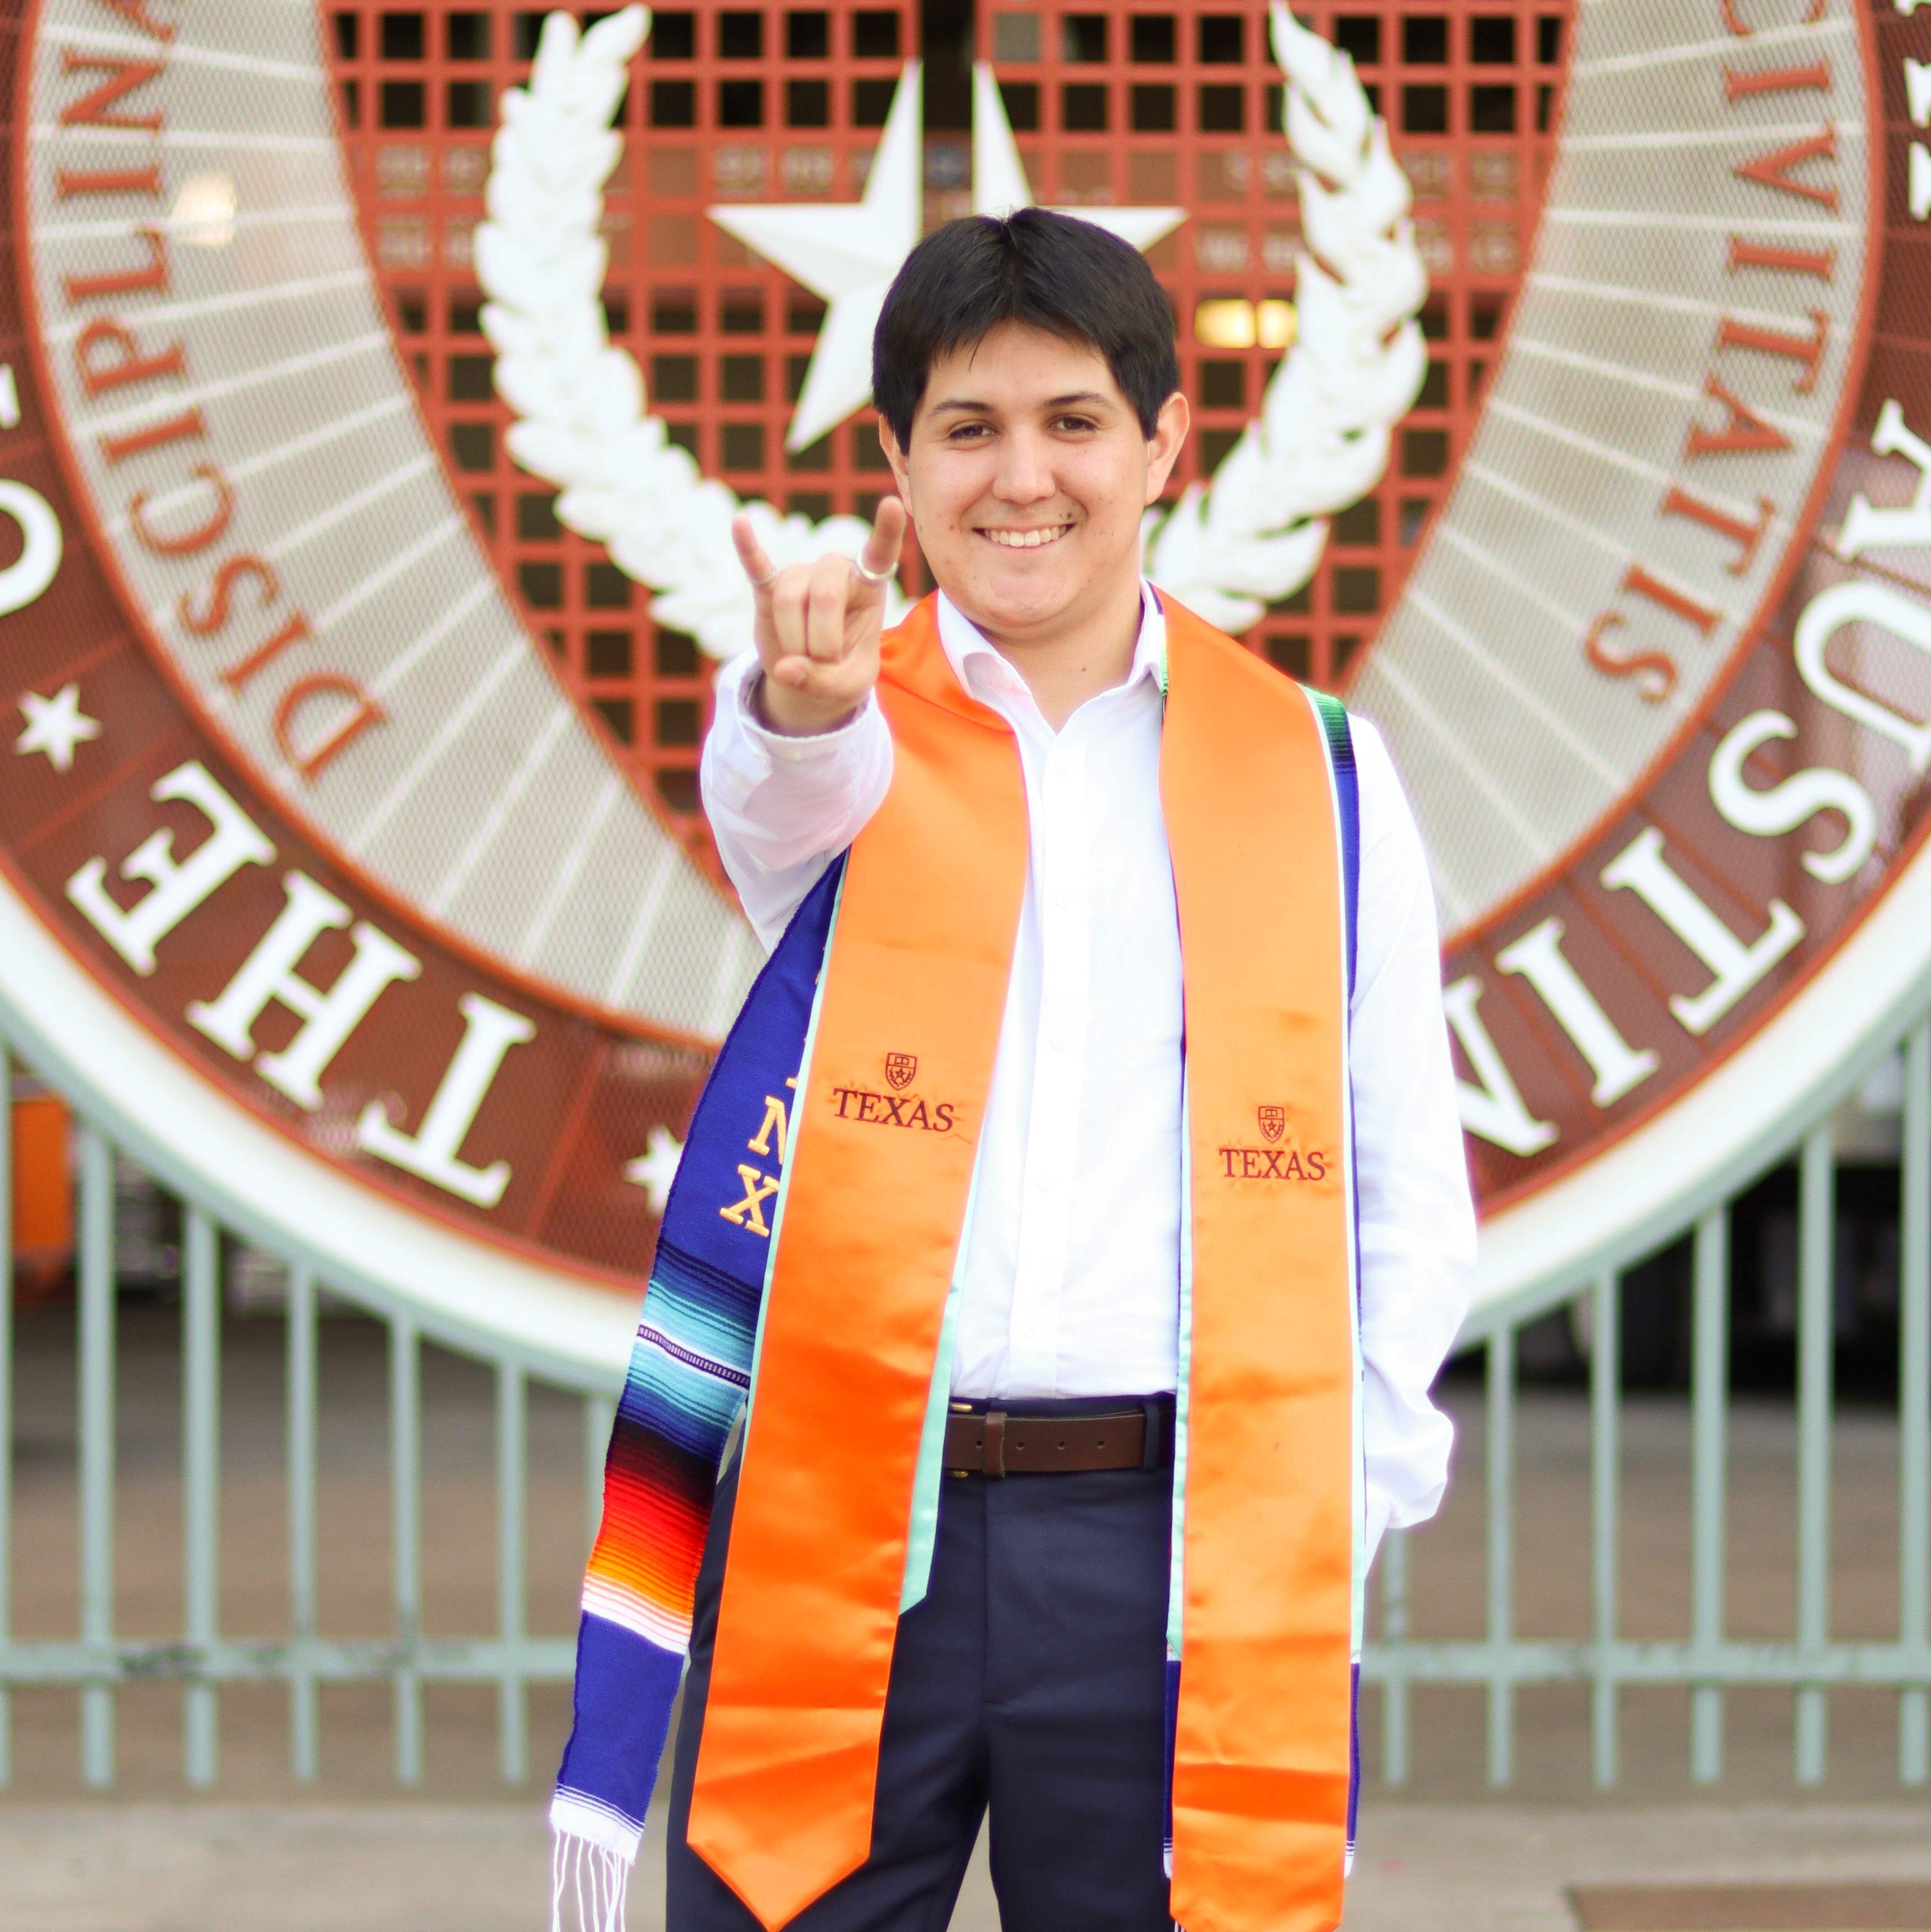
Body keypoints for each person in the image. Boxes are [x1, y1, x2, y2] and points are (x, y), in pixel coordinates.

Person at [548, 208, 1474, 1932]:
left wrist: (1349, 1487)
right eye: (967, 430)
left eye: (1073, 423)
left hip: (1171, 1547)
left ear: (1164, 445)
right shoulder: (849, 732)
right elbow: (777, 797)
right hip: (843, 1524)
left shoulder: (1319, 772)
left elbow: (1405, 1172)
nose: (1023, 477)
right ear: (893, 462)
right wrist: (802, 698)